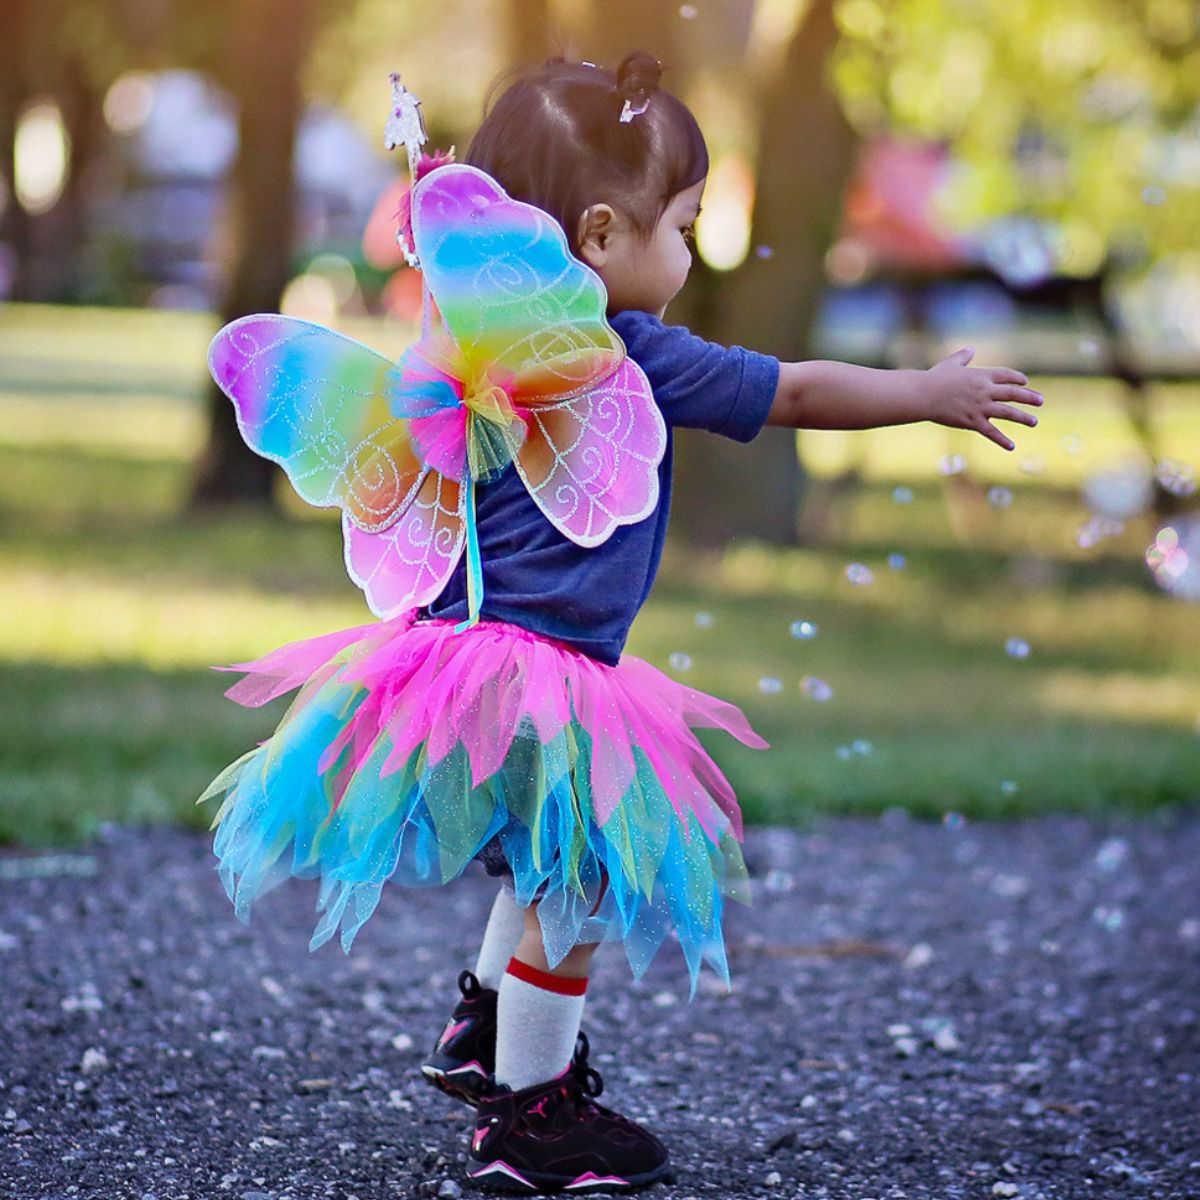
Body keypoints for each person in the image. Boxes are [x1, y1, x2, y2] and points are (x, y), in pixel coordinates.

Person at [199, 51, 1043, 1196]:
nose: (691, 254)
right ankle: (531, 1119)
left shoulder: (462, 355)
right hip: (547, 675)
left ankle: (489, 1032)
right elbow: (792, 392)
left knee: (547, 866)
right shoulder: (630, 353)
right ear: (599, 237)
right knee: (582, 873)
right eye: (685, 225)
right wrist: (924, 396)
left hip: (450, 659)